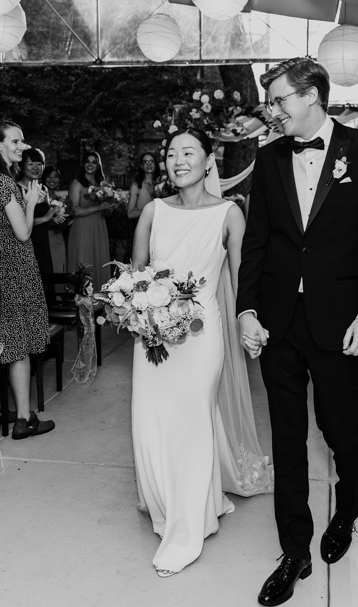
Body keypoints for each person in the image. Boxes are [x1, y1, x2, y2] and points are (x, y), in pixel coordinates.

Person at [236, 57, 358, 606]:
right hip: (279, 321)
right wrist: (246, 311)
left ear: (311, 96)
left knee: (341, 430)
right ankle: (294, 549)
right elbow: (257, 242)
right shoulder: (268, 157)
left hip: (340, 319)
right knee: (286, 438)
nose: (272, 110)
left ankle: (346, 514)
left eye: (279, 99)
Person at [130, 127, 271, 577]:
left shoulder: (229, 214)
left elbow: (244, 281)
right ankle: (175, 500)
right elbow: (134, 279)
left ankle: (186, 530)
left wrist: (249, 323)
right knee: (151, 421)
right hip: (152, 337)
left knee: (191, 422)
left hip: (201, 335)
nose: (177, 160)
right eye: (171, 153)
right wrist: (136, 307)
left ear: (209, 160)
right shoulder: (152, 211)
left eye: (188, 152)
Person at [0, 121, 54, 440]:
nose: (21, 146)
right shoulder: (4, 183)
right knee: (18, 341)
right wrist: (31, 204)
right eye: (16, 142)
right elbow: (22, 233)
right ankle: (22, 418)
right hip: (14, 263)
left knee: (3, 336)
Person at [18, 148, 62, 302]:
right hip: (26, 245)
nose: (36, 168)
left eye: (40, 164)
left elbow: (48, 213)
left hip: (44, 243)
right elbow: (17, 222)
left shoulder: (43, 188)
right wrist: (45, 218)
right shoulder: (16, 189)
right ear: (22, 166)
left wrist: (56, 217)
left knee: (46, 286)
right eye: (31, 164)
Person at [67, 150, 111, 291]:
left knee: (98, 260)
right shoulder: (77, 183)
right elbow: (73, 211)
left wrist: (109, 206)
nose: (90, 165)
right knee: (84, 260)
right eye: (87, 162)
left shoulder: (101, 184)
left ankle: (99, 302)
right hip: (82, 229)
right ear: (82, 164)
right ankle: (82, 301)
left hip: (98, 227)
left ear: (98, 165)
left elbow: (105, 208)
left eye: (94, 162)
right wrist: (98, 207)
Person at [41, 164, 68, 279]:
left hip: (58, 239)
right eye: (49, 176)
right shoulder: (39, 197)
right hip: (42, 238)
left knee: (58, 270)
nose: (52, 180)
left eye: (55, 177)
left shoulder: (61, 200)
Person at [127, 150, 158, 221]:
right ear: (141, 166)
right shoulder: (136, 186)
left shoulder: (162, 184)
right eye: (145, 162)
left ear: (155, 164)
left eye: (151, 161)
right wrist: (152, 211)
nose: (149, 164)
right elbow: (130, 214)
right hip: (143, 227)